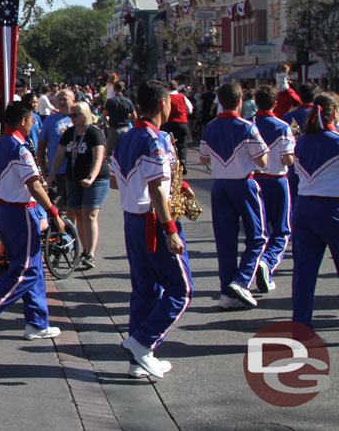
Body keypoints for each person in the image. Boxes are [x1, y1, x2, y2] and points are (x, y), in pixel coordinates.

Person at [110, 79, 193, 379]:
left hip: (133, 218)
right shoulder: (154, 139)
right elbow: (156, 188)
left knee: (145, 289)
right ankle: (142, 343)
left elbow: (113, 181)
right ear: (162, 104)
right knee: (181, 289)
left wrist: (178, 187)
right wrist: (170, 227)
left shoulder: (127, 138)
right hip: (152, 221)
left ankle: (139, 360)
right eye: (170, 101)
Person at [0, 101, 65, 345]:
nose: (33, 123)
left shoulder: (0, 145)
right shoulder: (19, 148)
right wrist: (53, 212)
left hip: (5, 209)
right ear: (23, 121)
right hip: (20, 212)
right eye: (31, 119)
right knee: (27, 269)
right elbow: (34, 184)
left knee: (32, 267)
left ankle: (37, 322)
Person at [199, 82, 269, 310]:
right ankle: (241, 281)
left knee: (225, 242)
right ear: (240, 101)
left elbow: (203, 158)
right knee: (257, 237)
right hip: (243, 183)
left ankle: (226, 292)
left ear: (219, 100)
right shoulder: (247, 127)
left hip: (220, 185)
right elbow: (262, 160)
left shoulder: (210, 127)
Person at [291, 92, 339, 329]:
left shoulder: (302, 141)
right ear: (334, 114)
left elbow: (298, 174)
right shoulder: (336, 140)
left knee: (303, 273)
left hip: (303, 207)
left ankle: (301, 326)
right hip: (332, 208)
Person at [49, 101, 110, 270]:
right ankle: (82, 250)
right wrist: (51, 174)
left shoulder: (94, 133)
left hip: (96, 178)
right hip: (74, 177)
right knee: (76, 212)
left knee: (89, 213)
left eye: (75, 115)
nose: (72, 119)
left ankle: (89, 253)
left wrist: (91, 177)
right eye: (70, 115)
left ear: (85, 116)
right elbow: (60, 155)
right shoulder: (69, 133)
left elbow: (98, 159)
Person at [251, 85, 295, 293]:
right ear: (275, 102)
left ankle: (257, 264)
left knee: (260, 228)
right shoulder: (282, 126)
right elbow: (287, 158)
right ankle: (267, 263)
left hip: (254, 180)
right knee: (282, 229)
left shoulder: (248, 124)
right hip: (276, 180)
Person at [38, 89, 75, 207]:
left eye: (65, 99)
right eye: (59, 99)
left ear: (73, 101)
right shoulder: (50, 120)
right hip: (57, 172)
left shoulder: (79, 118)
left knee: (75, 209)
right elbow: (41, 146)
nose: (62, 102)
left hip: (76, 171)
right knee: (58, 208)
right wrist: (44, 172)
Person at [165, 80, 193, 175]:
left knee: (167, 144)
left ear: (168, 87)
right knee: (182, 144)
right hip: (181, 123)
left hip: (168, 123)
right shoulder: (182, 97)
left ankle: (169, 163)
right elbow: (190, 110)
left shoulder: (166, 97)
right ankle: (183, 162)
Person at [102, 81, 136, 158]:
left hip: (114, 129)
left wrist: (107, 119)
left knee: (109, 152)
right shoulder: (128, 101)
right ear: (123, 89)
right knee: (126, 151)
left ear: (114, 89)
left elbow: (104, 115)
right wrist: (128, 118)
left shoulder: (110, 101)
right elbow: (135, 117)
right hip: (126, 129)